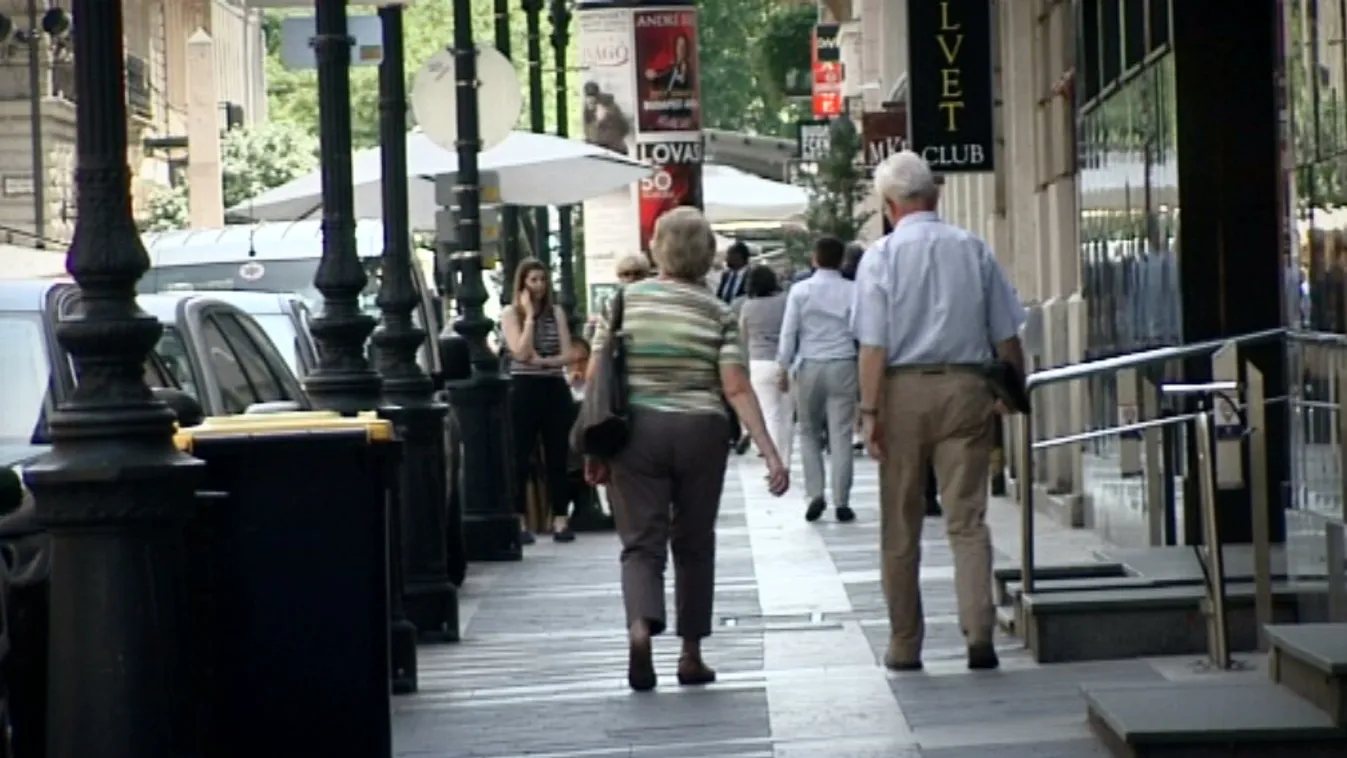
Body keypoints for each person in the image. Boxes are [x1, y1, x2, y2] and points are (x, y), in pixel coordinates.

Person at [585, 207, 789, 692]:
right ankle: (691, 654)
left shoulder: (621, 302)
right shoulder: (719, 312)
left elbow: (596, 379)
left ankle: (640, 631)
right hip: (702, 433)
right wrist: (771, 452)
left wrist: (593, 449)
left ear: (658, 248)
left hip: (637, 432)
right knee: (695, 543)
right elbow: (736, 386)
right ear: (707, 256)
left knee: (641, 543)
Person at [852, 150, 1026, 673]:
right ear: (936, 194)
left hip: (902, 391)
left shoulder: (879, 258)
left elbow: (873, 347)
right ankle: (979, 634)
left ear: (889, 205)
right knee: (967, 519)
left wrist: (869, 411)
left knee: (900, 525)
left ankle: (906, 644)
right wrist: (1011, 392)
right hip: (967, 388)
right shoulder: (972, 248)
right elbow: (1006, 335)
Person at [501, 257, 582, 545]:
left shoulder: (556, 312)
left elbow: (569, 354)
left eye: (542, 280)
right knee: (520, 454)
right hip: (524, 387)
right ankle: (519, 518)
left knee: (558, 453)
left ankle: (560, 518)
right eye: (533, 280)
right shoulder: (511, 314)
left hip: (553, 386)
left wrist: (544, 361)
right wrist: (530, 317)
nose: (538, 286)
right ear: (522, 284)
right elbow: (520, 353)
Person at [778, 236, 858, 524]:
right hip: (844, 363)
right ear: (842, 260)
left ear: (814, 258)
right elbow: (861, 329)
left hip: (810, 363)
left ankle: (815, 494)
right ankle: (842, 500)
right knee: (842, 434)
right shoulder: (853, 290)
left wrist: (782, 366)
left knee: (808, 431)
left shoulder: (800, 291)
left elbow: (789, 332)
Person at [739, 265, 793, 467]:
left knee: (769, 413)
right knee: (786, 415)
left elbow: (742, 337)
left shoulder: (748, 306)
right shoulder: (785, 301)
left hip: (758, 363)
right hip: (784, 362)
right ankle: (785, 461)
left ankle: (772, 462)